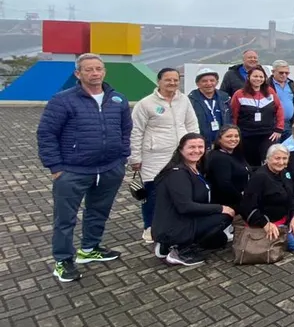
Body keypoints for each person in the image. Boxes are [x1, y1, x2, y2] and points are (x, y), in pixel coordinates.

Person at [37, 53, 132, 282]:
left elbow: (126, 130)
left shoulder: (117, 99)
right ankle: (62, 260)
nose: (94, 73)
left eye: (98, 68)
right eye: (88, 69)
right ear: (78, 73)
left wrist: (122, 157)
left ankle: (89, 249)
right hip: (73, 171)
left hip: (109, 168)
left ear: (104, 71)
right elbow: (46, 134)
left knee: (98, 211)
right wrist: (56, 167)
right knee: (65, 218)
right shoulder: (63, 100)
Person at [130, 67, 200, 244]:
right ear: (159, 81)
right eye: (168, 80)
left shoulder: (183, 100)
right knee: (153, 192)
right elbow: (136, 131)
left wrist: (197, 148)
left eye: (176, 80)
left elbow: (192, 124)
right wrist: (135, 157)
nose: (172, 83)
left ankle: (173, 223)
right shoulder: (145, 104)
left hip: (180, 154)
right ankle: (150, 227)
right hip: (155, 155)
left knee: (179, 190)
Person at [151, 134, 235, 266]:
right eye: (191, 147)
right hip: (174, 226)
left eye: (200, 147)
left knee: (220, 240)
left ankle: (181, 243)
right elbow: (185, 206)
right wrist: (220, 208)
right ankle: (178, 248)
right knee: (224, 215)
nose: (196, 150)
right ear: (181, 149)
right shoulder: (178, 173)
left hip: (186, 219)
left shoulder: (194, 168)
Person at [239, 144, 294, 252]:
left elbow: (291, 197)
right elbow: (247, 207)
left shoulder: (284, 173)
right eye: (277, 158)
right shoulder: (260, 177)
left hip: (284, 213)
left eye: (284, 158)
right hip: (267, 220)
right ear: (268, 159)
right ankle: (274, 234)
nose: (281, 162)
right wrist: (265, 224)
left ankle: (288, 226)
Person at [230, 66, 285, 168]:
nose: (258, 79)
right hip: (246, 135)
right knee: (250, 164)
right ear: (248, 77)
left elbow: (279, 109)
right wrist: (234, 133)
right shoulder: (239, 94)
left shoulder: (270, 92)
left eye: (261, 76)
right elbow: (233, 115)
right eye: (255, 76)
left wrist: (279, 129)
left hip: (267, 134)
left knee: (268, 162)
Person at [203, 125, 250, 210]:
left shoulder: (236, 154)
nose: (233, 139)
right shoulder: (219, 158)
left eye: (236, 136)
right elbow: (224, 184)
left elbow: (247, 169)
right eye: (228, 136)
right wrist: (243, 198)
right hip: (229, 205)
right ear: (219, 139)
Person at [188, 67, 232, 146]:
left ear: (217, 82)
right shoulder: (190, 101)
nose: (209, 83)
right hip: (200, 144)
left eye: (212, 80)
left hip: (222, 144)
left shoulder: (225, 98)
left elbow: (231, 119)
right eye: (204, 81)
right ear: (198, 84)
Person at [267, 60, 294, 141]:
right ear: (273, 72)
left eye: (286, 73)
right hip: (273, 125)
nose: (284, 75)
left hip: (290, 124)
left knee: (289, 150)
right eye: (281, 72)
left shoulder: (292, 84)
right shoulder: (266, 85)